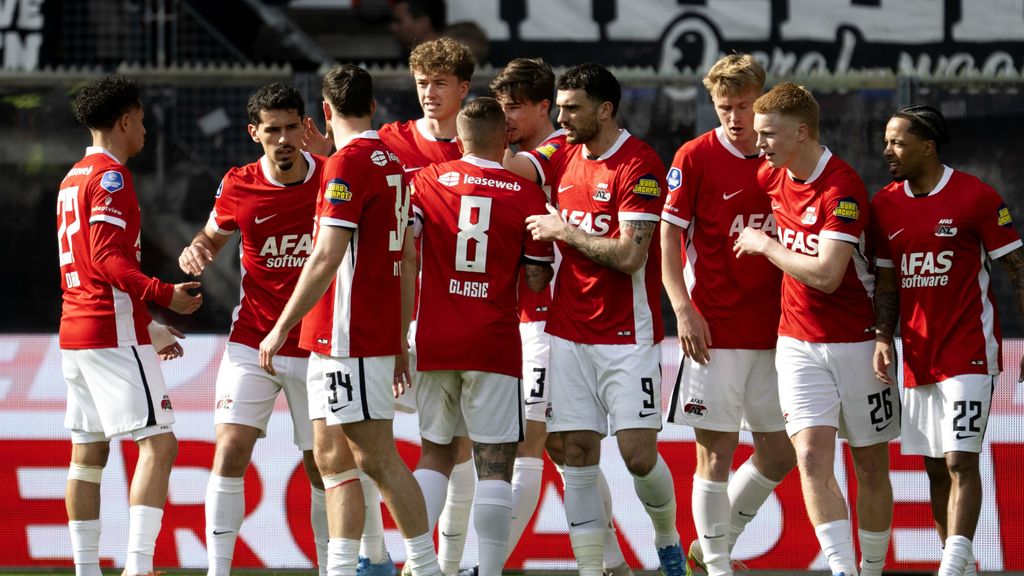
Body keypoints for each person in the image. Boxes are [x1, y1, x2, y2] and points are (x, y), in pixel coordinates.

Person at [257, 64, 441, 576]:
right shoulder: (389, 161)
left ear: (323, 111)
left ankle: (426, 566)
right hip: (348, 334)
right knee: (331, 458)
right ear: (374, 108)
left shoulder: (346, 167)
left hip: (348, 335)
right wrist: (402, 335)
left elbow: (325, 256)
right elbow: (405, 256)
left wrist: (280, 326)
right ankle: (349, 568)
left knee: (377, 458)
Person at [517, 63, 686, 576]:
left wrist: (563, 232)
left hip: (627, 336)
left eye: (572, 108)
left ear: (605, 110)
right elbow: (516, 167)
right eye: (559, 107)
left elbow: (631, 257)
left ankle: (668, 540)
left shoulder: (640, 164)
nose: (561, 118)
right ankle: (597, 571)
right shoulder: (561, 149)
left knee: (637, 456)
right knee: (576, 455)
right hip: (566, 334)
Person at [733, 82, 896, 576]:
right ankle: (843, 570)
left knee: (869, 466)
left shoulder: (841, 189)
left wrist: (765, 246)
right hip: (798, 343)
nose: (759, 144)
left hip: (858, 344)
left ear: (801, 133)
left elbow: (827, 276)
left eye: (769, 134)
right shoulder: (771, 173)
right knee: (809, 458)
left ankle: (870, 569)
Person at [177, 82, 332, 576]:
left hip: (317, 345)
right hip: (252, 341)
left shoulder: (332, 180)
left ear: (306, 130)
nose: (283, 139)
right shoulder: (238, 183)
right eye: (273, 130)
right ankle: (217, 570)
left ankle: (333, 566)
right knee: (230, 449)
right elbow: (211, 235)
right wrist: (196, 249)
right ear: (254, 133)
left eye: (292, 128)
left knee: (323, 467)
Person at [491, 57, 632, 576]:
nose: (505, 118)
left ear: (544, 108)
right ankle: (613, 563)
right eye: (499, 109)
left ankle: (487, 564)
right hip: (529, 317)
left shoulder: (554, 149)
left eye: (514, 108)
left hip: (551, 320)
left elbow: (500, 167)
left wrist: (451, 153)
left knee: (530, 442)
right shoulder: (540, 149)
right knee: (560, 449)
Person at [58, 74, 202, 576]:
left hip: (77, 332)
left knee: (88, 452)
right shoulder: (112, 178)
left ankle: (85, 570)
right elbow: (107, 259)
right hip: (108, 331)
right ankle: (138, 568)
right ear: (124, 120)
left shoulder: (72, 177)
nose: (144, 129)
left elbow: (90, 262)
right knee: (160, 443)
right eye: (141, 119)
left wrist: (151, 327)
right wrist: (163, 296)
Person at [871, 105, 1024, 576]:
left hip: (969, 353)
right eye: (886, 140)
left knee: (960, 459)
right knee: (936, 467)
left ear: (928, 146)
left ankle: (953, 566)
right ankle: (958, 562)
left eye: (897, 141)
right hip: (917, 354)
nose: (887, 150)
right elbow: (888, 283)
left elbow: (1017, 269)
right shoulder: (884, 205)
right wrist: (882, 336)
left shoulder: (975, 197)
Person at [660, 54, 795, 576]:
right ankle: (716, 566)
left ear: (761, 100)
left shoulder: (784, 158)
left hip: (780, 332)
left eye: (743, 106)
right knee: (713, 453)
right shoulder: (694, 157)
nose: (735, 118)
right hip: (713, 330)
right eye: (724, 107)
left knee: (781, 454)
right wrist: (683, 309)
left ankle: (708, 547)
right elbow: (669, 240)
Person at [409, 96, 554, 576]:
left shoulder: (425, 182)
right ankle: (488, 573)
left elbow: (402, 245)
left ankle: (418, 564)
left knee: (435, 455)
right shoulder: (525, 195)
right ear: (505, 137)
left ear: (459, 138)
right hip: (492, 342)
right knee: (495, 466)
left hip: (433, 337)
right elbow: (536, 280)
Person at [380, 36, 478, 576]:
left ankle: (440, 563)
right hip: (396, 316)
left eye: (440, 83)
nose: (429, 92)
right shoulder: (392, 141)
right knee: (368, 448)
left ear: (463, 89)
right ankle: (394, 559)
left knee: (452, 448)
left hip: (457, 315)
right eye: (422, 82)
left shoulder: (482, 145)